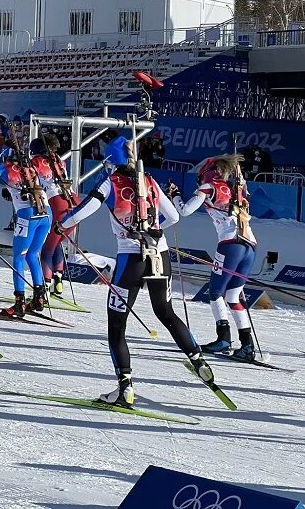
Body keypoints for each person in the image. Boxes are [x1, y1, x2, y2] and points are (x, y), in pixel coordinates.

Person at [56, 135, 214, 407]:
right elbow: (173, 217)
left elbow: (82, 211)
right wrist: (153, 227)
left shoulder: (110, 182)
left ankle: (125, 387)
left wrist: (62, 224)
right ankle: (197, 358)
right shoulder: (149, 181)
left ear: (112, 161)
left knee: (116, 326)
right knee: (165, 312)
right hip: (160, 254)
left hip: (131, 259)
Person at [168, 154, 259, 361]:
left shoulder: (209, 187)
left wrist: (175, 195)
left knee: (215, 291)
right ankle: (247, 345)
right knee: (233, 296)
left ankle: (223, 339)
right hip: (250, 246)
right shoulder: (237, 188)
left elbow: (185, 210)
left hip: (230, 245)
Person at [0, 142, 51, 317]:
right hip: (46, 213)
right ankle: (39, 298)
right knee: (32, 254)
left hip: (26, 215)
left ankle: (19, 303)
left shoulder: (3, 166)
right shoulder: (32, 164)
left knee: (18, 257)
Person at [32, 133, 79, 296]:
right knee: (56, 242)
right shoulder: (58, 160)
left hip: (57, 203)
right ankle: (58, 281)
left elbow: (31, 179)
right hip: (73, 203)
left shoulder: (36, 161)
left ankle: (44, 285)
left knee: (47, 248)